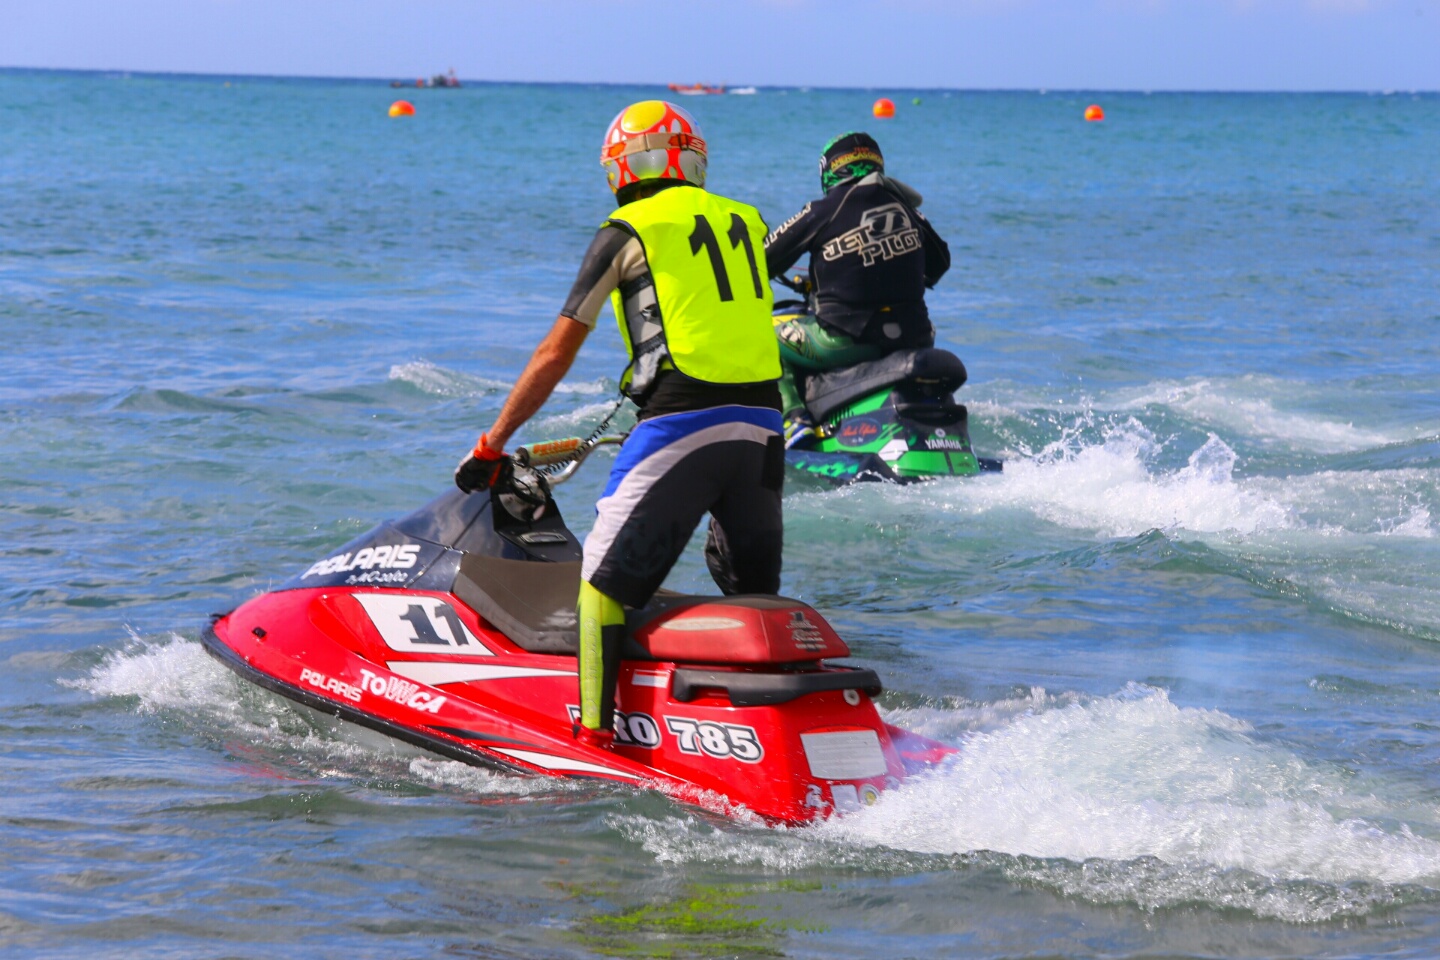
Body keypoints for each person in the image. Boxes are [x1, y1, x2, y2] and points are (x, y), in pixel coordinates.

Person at [454, 101, 786, 748]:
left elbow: (556, 351)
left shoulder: (627, 229)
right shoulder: (746, 220)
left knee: (600, 585)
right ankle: (753, 728)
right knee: (753, 592)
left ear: (623, 167)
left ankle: (594, 736)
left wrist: (493, 444)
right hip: (765, 426)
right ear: (691, 159)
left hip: (681, 421)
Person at [763, 132, 951, 446]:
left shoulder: (822, 210)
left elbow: (764, 259)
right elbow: (940, 264)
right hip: (916, 337)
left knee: (764, 335)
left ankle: (793, 421)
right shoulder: (908, 210)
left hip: (847, 339)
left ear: (830, 170)